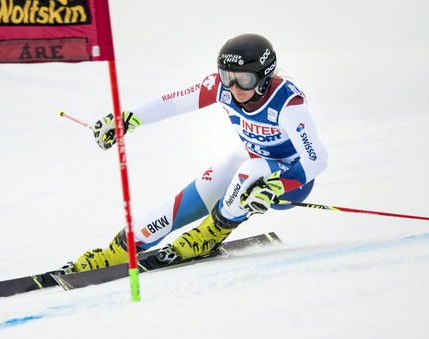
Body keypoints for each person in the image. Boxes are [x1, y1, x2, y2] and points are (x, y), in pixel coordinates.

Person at [65, 33, 328, 272]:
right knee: (189, 198)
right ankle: (120, 250)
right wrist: (129, 119)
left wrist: (279, 186)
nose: (234, 88)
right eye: (228, 77)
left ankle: (211, 233)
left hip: (291, 181)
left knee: (250, 170)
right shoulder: (221, 89)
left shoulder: (288, 104)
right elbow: (175, 103)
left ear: (265, 76)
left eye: (244, 79)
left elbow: (316, 158)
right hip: (253, 161)